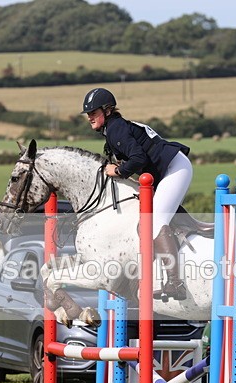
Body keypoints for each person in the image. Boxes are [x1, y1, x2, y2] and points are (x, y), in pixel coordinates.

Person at [82, 87, 193, 301]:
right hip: (166, 169)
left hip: (175, 168)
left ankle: (175, 283)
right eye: (88, 114)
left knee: (155, 221)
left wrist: (118, 171)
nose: (89, 118)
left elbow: (138, 158)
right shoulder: (115, 128)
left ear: (107, 110)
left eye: (93, 113)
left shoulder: (116, 129)